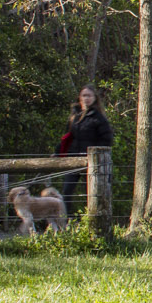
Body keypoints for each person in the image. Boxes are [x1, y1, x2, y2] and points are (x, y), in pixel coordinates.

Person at [55, 87, 113, 218]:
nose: (86, 98)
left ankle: (93, 220)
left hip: (93, 161)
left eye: (89, 96)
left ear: (94, 98)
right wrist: (58, 152)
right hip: (73, 158)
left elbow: (107, 138)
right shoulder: (75, 116)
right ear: (80, 98)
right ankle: (66, 221)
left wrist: (96, 155)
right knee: (67, 191)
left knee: (93, 193)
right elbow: (68, 137)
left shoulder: (99, 118)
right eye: (84, 96)